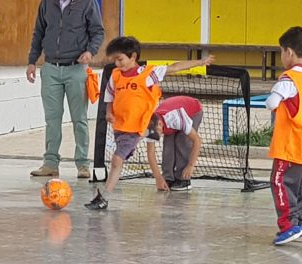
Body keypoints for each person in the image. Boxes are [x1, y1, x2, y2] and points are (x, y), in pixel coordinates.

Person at [84, 36, 214, 210]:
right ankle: (149, 133)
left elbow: (173, 67)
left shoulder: (147, 74)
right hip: (121, 126)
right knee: (118, 160)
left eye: (120, 59)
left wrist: (201, 62)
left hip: (138, 126)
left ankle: (104, 197)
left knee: (117, 160)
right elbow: (109, 96)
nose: (117, 63)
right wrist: (108, 113)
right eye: (114, 60)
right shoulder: (115, 76)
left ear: (133, 57)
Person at [26, 0, 104, 179]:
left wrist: (90, 51)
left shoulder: (87, 3)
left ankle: (83, 164)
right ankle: (50, 164)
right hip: (51, 68)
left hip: (76, 68)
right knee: (52, 119)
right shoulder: (47, 3)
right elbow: (39, 32)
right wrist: (32, 61)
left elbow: (98, 31)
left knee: (79, 119)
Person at [265, 26, 302, 246]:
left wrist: (274, 100)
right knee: (299, 186)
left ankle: (289, 225)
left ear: (288, 52)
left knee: (280, 182)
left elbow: (272, 102)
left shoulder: (289, 79)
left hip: (289, 146)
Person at [146, 96, 203, 192]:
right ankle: (168, 178)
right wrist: (159, 178)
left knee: (182, 140)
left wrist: (190, 166)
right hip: (171, 111)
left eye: (157, 133)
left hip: (193, 110)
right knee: (168, 144)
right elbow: (150, 154)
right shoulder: (149, 126)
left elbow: (197, 141)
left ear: (160, 124)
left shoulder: (175, 118)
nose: (156, 137)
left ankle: (183, 179)